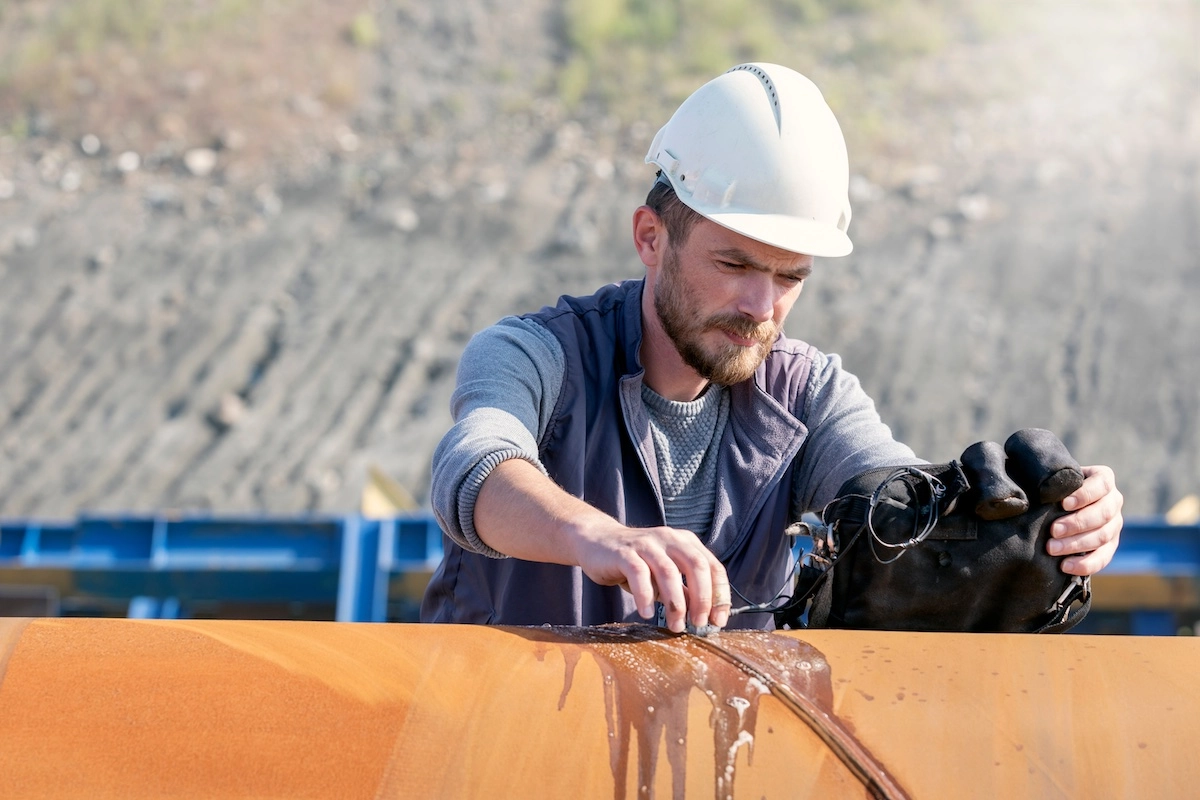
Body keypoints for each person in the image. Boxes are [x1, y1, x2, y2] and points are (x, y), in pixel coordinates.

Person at [420, 63, 1123, 633]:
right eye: (734, 266)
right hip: (501, 749)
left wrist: (1057, 529)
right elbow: (476, 466)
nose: (763, 307)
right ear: (649, 238)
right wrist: (596, 537)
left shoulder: (810, 395)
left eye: (790, 277)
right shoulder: (535, 354)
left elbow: (886, 497)